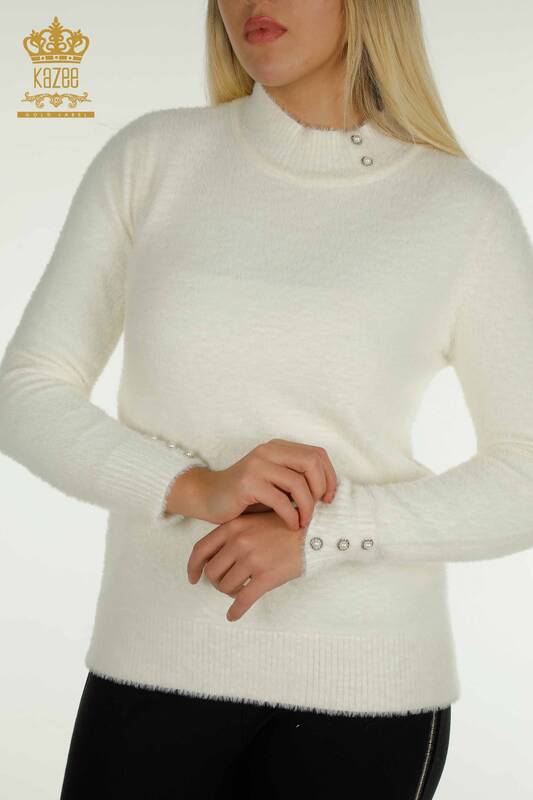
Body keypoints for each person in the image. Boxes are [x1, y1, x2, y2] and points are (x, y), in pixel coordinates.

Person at [1, 0, 532, 797]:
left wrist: (323, 537)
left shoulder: (461, 209)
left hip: (365, 695)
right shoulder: (154, 159)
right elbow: (27, 391)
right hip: (153, 668)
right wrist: (191, 487)